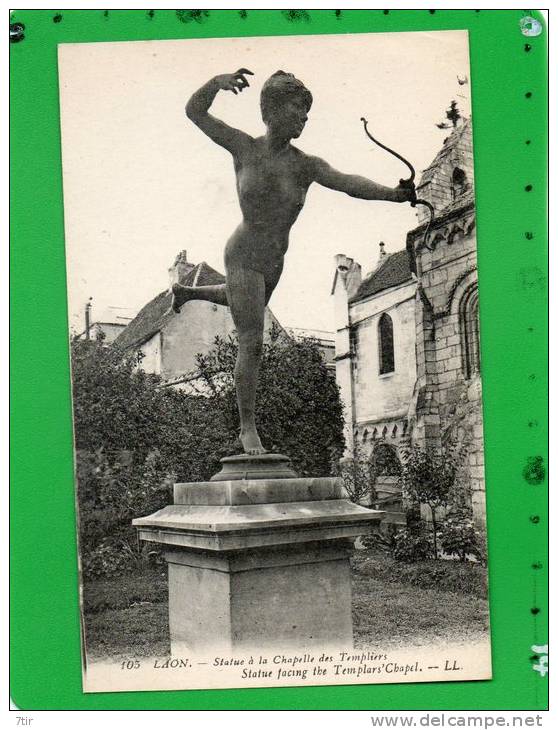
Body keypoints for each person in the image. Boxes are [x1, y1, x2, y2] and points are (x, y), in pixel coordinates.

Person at [172, 69, 415, 455]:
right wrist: (216, 82)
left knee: (245, 301)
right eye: (298, 109)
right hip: (243, 253)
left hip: (274, 262)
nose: (304, 117)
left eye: (307, 111)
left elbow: (349, 182)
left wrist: (393, 195)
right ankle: (247, 428)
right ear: (273, 110)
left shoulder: (307, 165)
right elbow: (194, 112)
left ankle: (185, 291)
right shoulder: (244, 148)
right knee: (251, 340)